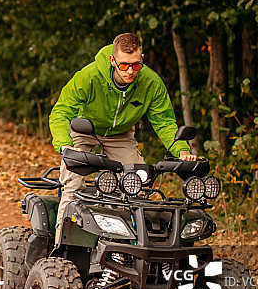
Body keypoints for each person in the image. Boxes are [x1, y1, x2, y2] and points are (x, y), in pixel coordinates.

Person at [49, 33, 196, 243]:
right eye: (124, 65)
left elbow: (164, 121)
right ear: (112, 60)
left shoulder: (151, 83)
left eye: (135, 66)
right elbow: (61, 112)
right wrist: (65, 145)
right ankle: (60, 247)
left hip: (121, 135)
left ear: (142, 59)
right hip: (84, 130)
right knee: (73, 184)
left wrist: (182, 150)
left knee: (136, 184)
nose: (129, 71)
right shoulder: (89, 76)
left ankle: (126, 247)